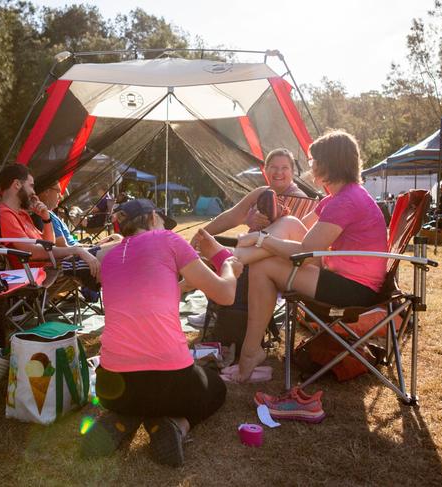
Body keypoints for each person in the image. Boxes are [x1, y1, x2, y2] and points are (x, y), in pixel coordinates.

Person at [194, 130, 388, 383]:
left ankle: (232, 264)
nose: (312, 166)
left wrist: (261, 238)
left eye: (314, 161)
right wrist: (275, 228)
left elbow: (305, 254)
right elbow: (298, 231)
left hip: (354, 289)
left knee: (264, 267)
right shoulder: (337, 198)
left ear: (330, 163)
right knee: (289, 222)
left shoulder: (346, 201)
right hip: (339, 275)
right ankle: (233, 258)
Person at [82, 199, 242, 467]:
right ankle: (175, 424)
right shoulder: (167, 240)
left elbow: (144, 296)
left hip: (112, 385)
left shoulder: (107, 256)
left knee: (138, 389)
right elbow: (226, 294)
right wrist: (228, 265)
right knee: (216, 387)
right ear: (153, 217)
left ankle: (125, 417)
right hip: (169, 384)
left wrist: (183, 286)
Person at [187, 148, 307, 326]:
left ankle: (223, 312)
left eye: (284, 168)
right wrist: (202, 233)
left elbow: (296, 239)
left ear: (293, 172)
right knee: (201, 257)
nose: (279, 172)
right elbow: (232, 216)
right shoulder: (261, 192)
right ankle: (216, 310)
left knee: (226, 260)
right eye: (273, 167)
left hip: (273, 259)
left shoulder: (300, 199)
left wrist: (269, 224)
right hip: (245, 252)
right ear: (265, 170)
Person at [0, 164, 103, 278]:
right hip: (42, 271)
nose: (33, 192)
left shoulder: (21, 214)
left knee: (117, 248)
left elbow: (48, 244)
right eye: (31, 186)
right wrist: (76, 250)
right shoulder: (6, 215)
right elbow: (32, 253)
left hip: (53, 264)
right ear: (17, 184)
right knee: (116, 254)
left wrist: (46, 219)